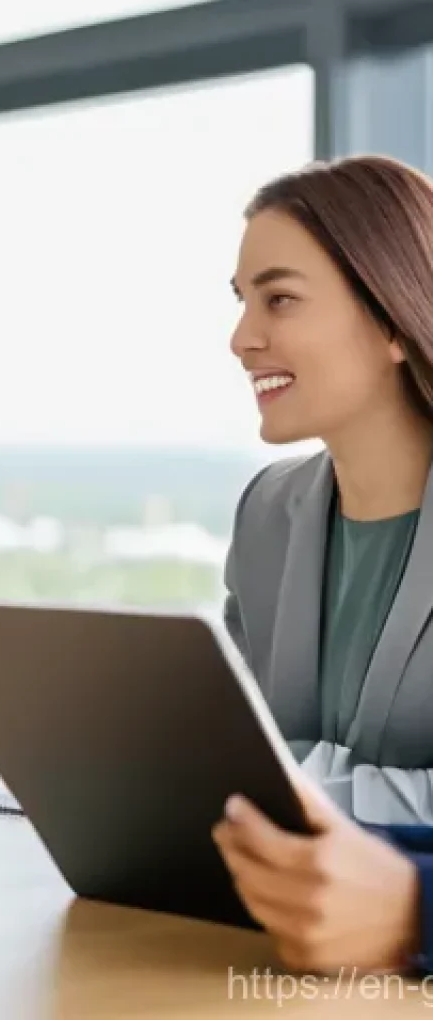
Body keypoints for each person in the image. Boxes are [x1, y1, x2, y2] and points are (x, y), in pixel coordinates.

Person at [212, 153, 433, 974]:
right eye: (241, 302)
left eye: (281, 299)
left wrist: (262, 796)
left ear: (391, 317)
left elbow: (254, 777)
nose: (242, 339)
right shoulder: (267, 514)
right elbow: (245, 748)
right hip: (286, 950)